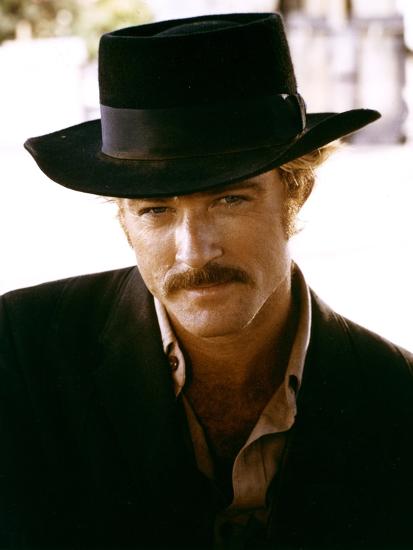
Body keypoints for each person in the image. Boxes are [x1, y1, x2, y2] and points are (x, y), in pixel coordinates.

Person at [1, 12, 412, 550]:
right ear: (122, 217)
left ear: (295, 192)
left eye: (230, 199)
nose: (195, 251)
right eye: (156, 210)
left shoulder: (396, 396)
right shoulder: (19, 352)